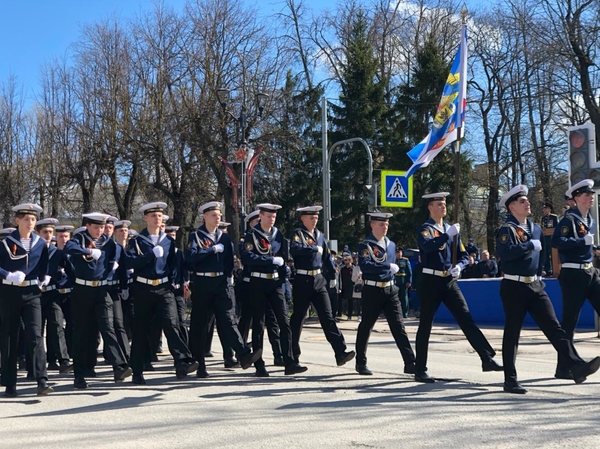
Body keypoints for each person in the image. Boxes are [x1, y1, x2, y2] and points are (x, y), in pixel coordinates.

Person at [497, 184, 600, 393]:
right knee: (513, 332)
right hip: (514, 285)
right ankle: (510, 379)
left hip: (535, 284)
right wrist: (528, 246)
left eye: (526, 200)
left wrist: (542, 270)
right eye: (521, 201)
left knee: (555, 328)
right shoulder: (506, 229)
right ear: (511, 208)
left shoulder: (535, 228)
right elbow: (505, 254)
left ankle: (576, 366)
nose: (527, 203)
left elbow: (541, 253)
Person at [414, 192, 502, 383]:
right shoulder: (426, 229)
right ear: (430, 207)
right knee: (426, 324)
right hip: (430, 281)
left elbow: (463, 255)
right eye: (439, 204)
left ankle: (486, 358)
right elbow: (428, 247)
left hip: (449, 281)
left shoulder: (450, 229)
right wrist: (447, 235)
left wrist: (459, 267)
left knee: (466, 318)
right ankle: (420, 368)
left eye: (444, 203)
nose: (443, 207)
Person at [185, 201, 261, 378]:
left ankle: (242, 355)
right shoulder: (196, 236)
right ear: (204, 217)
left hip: (220, 283)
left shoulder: (224, 237)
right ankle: (199, 363)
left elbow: (228, 261)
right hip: (203, 283)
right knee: (200, 324)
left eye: (219, 215)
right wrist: (210, 250)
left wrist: (227, 280)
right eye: (214, 215)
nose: (217, 218)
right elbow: (190, 258)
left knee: (228, 320)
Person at [126, 202, 198, 385]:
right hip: (143, 288)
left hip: (164, 288)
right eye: (153, 216)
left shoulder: (168, 240)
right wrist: (150, 255)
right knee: (141, 330)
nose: (157, 219)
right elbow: (130, 263)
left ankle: (182, 362)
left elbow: (173, 263)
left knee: (171, 324)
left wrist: (174, 280)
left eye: (159, 216)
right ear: (145, 218)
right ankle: (137, 370)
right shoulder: (137, 241)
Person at [64, 212, 133, 389]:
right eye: (96, 227)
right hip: (83, 290)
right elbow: (68, 248)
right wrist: (88, 251)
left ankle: (119, 366)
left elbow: (115, 257)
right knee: (81, 332)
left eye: (102, 227)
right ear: (87, 225)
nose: (100, 230)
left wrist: (112, 271)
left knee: (108, 327)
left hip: (102, 289)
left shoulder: (108, 242)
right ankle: (79, 374)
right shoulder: (79, 239)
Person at [240, 203, 307, 377]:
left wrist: (284, 270)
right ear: (260, 216)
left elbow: (283, 258)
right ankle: (259, 364)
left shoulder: (278, 235)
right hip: (258, 282)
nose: (271, 219)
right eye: (268, 216)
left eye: (274, 217)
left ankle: (289, 361)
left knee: (284, 323)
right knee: (259, 324)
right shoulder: (252, 236)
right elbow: (248, 257)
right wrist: (269, 261)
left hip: (275, 283)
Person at [289, 206, 355, 368]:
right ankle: (292, 357)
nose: (315, 220)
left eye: (316, 217)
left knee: (328, 317)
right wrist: (312, 248)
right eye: (311, 217)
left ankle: (340, 352)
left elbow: (327, 258)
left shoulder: (319, 236)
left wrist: (333, 277)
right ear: (303, 218)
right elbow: (295, 250)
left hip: (318, 280)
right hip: (303, 279)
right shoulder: (298, 234)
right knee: (298, 319)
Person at [0, 203, 53, 397]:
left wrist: (45, 276)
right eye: (26, 219)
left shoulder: (39, 242)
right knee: (10, 337)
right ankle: (9, 383)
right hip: (10, 292)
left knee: (36, 335)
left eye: (33, 219)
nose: (30, 223)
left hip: (32, 293)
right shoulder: (6, 242)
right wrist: (7, 274)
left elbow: (44, 263)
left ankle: (41, 380)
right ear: (17, 221)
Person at [355, 212, 416, 376]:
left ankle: (410, 362)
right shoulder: (366, 245)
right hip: (373, 289)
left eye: (387, 224)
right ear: (372, 225)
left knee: (399, 326)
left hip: (390, 289)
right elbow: (366, 266)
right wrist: (386, 267)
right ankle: (361, 362)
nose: (385, 227)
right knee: (366, 326)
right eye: (381, 224)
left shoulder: (391, 244)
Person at [551, 179, 600, 379]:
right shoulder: (569, 220)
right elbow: (557, 241)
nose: (591, 198)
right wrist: (582, 241)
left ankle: (564, 367)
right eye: (586, 195)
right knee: (570, 321)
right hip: (573, 274)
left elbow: (585, 247)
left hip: (590, 272)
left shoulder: (591, 221)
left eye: (592, 195)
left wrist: (593, 249)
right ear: (577, 198)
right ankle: (563, 367)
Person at [35, 218, 72, 374]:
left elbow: (71, 271)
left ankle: (63, 360)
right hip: (35, 294)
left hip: (52, 293)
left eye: (51, 232)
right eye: (45, 232)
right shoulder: (32, 250)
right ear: (37, 233)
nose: (48, 235)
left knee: (56, 325)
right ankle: (37, 363)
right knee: (37, 330)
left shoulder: (57, 253)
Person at [540, 201, 558, 275]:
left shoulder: (554, 217)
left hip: (552, 238)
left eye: (546, 208)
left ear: (549, 209)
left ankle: (554, 270)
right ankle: (548, 270)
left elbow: (557, 228)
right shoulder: (543, 218)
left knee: (552, 255)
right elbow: (542, 228)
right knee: (546, 255)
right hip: (545, 239)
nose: (544, 210)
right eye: (543, 209)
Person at [394, 246, 412, 318]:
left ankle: (405, 313)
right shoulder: (394, 261)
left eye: (400, 252)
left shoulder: (405, 260)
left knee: (404, 298)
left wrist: (409, 281)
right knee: (396, 298)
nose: (398, 254)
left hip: (404, 281)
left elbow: (409, 271)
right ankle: (397, 313)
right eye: (397, 252)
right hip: (396, 281)